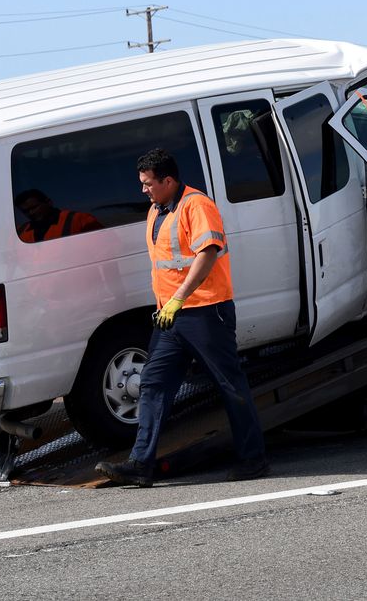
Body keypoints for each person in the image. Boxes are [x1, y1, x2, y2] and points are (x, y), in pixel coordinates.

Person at [96, 148, 268, 487]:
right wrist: (168, 305)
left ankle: (254, 460)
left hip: (206, 311)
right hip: (171, 316)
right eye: (142, 183)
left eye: (148, 184)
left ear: (169, 181)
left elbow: (208, 254)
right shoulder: (157, 209)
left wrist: (178, 298)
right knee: (153, 383)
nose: (143, 189)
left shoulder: (196, 205)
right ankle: (140, 464)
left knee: (229, 385)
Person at [14, 189, 102, 243]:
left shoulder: (79, 220)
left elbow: (106, 247)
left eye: (34, 207)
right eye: (25, 211)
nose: (31, 213)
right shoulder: (20, 232)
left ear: (48, 202)